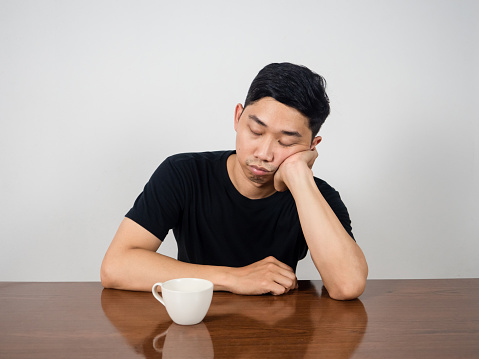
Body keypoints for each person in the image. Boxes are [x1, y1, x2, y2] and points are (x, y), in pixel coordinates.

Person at [101, 62, 368, 300]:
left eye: (287, 142)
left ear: (312, 145)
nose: (264, 154)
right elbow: (115, 267)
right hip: (198, 331)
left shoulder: (317, 197)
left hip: (281, 337)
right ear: (237, 117)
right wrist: (234, 278)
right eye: (255, 131)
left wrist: (300, 175)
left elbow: (347, 285)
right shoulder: (183, 173)